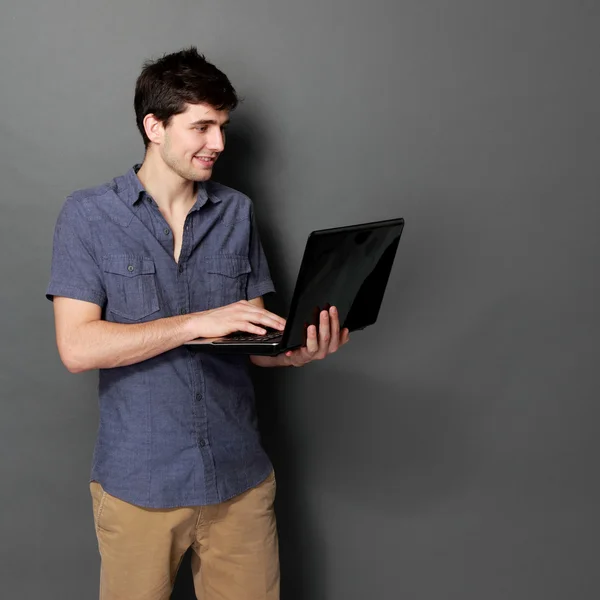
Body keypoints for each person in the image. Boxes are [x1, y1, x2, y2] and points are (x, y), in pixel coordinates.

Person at [46, 47, 349, 600]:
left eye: (224, 126)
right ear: (154, 126)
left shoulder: (237, 211)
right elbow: (77, 346)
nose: (220, 144)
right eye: (203, 126)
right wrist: (194, 322)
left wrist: (294, 349)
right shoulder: (88, 215)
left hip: (240, 483)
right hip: (140, 486)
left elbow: (252, 341)